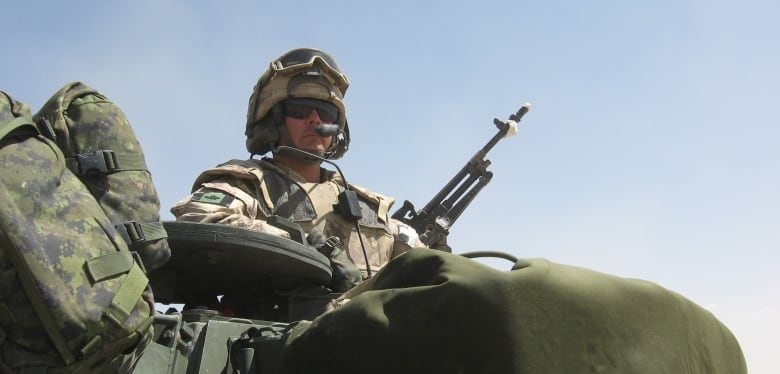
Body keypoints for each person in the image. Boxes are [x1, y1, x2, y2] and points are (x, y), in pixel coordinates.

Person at [171, 48, 428, 311]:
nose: (315, 119)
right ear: (274, 120)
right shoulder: (246, 184)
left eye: (326, 113)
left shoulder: (369, 209)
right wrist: (306, 248)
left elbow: (423, 269)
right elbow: (202, 220)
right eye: (300, 110)